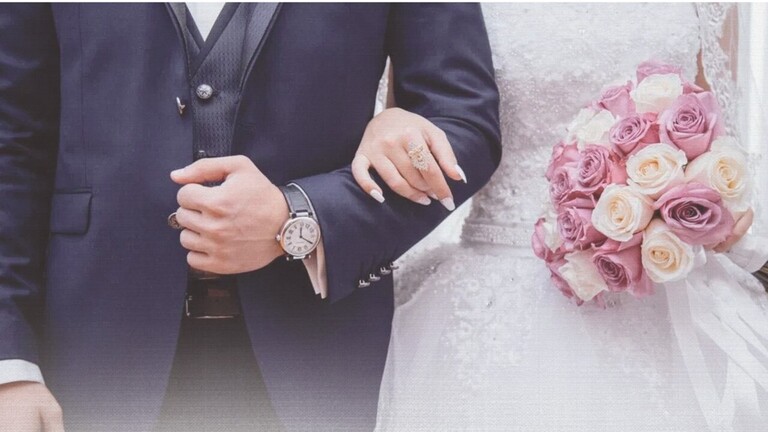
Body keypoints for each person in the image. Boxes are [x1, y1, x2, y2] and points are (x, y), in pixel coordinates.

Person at [0, 3, 500, 431]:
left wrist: (300, 217)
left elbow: (463, 124)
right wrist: (10, 364)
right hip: (90, 354)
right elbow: (13, 140)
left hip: (319, 354)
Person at [352, 3, 768, 431]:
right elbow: (417, 141)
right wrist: (385, 127)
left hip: (665, 288)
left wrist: (716, 200)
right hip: (498, 297)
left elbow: (713, 124)